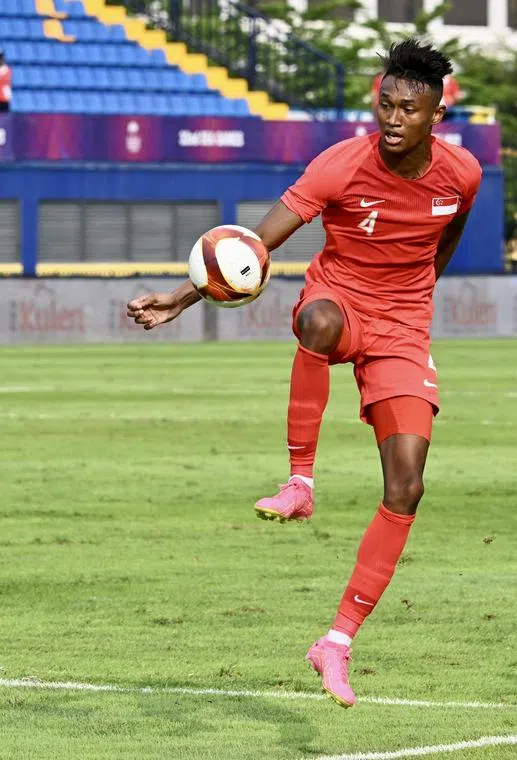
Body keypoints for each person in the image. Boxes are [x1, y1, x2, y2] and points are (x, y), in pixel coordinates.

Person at [125, 40, 482, 707]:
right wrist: (178, 298)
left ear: (437, 112)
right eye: (385, 103)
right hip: (341, 302)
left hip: (403, 329)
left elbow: (450, 230)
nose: (393, 117)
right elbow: (252, 251)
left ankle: (337, 642)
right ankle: (299, 480)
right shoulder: (339, 165)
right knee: (315, 322)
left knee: (406, 486)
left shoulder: (462, 173)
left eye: (409, 108)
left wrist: (423, 289)